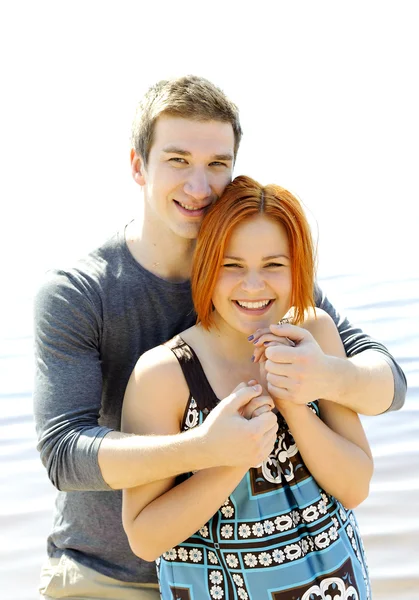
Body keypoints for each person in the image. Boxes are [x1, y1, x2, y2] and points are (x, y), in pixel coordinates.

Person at [33, 75, 405, 599]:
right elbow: (63, 453)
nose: (199, 185)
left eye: (216, 164)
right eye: (178, 160)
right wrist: (207, 449)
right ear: (139, 166)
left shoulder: (267, 285)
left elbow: (388, 382)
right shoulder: (81, 293)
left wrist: (327, 377)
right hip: (111, 574)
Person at [122, 175, 374, 599]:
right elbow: (145, 538)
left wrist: (294, 402)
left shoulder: (314, 334)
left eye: (274, 265)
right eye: (231, 265)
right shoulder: (164, 375)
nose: (253, 286)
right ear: (205, 266)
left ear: (298, 267)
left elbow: (355, 487)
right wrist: (232, 459)